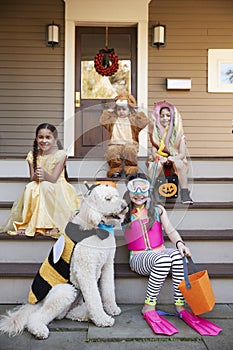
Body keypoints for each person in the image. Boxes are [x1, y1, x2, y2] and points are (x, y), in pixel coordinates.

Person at [122, 173, 192, 334]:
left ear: (149, 190)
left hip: (160, 253)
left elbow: (170, 230)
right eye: (134, 189)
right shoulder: (124, 212)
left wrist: (180, 244)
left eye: (143, 188)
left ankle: (179, 304)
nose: (139, 193)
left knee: (177, 255)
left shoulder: (158, 210)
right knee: (163, 260)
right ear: (128, 191)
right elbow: (103, 218)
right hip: (139, 258)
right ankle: (149, 304)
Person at [1, 123, 81, 238]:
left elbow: (53, 179)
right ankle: (28, 224)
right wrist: (37, 176)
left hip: (57, 185)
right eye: (41, 137)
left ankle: (52, 224)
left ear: (55, 139)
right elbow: (32, 177)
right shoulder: (32, 155)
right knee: (31, 187)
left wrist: (44, 175)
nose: (44, 141)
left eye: (48, 137)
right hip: (40, 183)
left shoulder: (61, 155)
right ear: (36, 138)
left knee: (45, 186)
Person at [148, 101, 193, 204]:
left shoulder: (179, 134)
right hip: (161, 159)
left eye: (168, 116)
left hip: (175, 158)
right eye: (162, 116)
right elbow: (154, 152)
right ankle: (150, 192)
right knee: (157, 165)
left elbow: (182, 153)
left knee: (179, 164)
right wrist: (160, 158)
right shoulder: (156, 134)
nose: (165, 118)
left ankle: (185, 193)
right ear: (158, 118)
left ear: (173, 118)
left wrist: (175, 158)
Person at [99, 92, 149, 178]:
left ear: (129, 110)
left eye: (124, 109)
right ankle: (115, 170)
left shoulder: (133, 120)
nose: (121, 112)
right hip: (115, 143)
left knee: (130, 151)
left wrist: (137, 112)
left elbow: (144, 121)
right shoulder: (113, 120)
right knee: (112, 152)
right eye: (119, 109)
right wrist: (108, 111)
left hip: (130, 143)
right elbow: (103, 121)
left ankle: (131, 169)